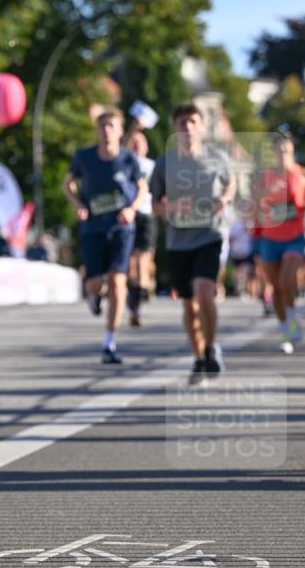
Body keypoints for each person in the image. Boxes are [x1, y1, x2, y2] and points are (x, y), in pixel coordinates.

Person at [150, 102, 236, 385]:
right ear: (174, 129)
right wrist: (171, 208)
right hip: (178, 242)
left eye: (192, 122)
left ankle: (211, 348)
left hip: (210, 235)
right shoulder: (164, 163)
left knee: (204, 293)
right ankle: (199, 356)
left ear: (200, 126)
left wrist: (224, 198)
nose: (187, 127)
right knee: (188, 306)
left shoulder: (217, 157)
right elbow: (154, 205)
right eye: (181, 123)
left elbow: (231, 183)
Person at [64, 108, 145, 364]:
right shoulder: (84, 157)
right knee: (95, 283)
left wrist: (132, 209)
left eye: (112, 126)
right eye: (103, 126)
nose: (107, 130)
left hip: (121, 228)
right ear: (97, 130)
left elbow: (141, 188)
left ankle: (109, 341)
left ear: (121, 131)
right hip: (93, 228)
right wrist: (78, 204)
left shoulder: (129, 159)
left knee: (118, 281)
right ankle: (94, 295)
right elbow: (68, 184)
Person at [254, 133, 305, 353]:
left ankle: (292, 316)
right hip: (270, 236)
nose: (283, 155)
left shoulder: (304, 174)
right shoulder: (265, 175)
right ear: (273, 153)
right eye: (279, 151)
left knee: (286, 281)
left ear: (293, 151)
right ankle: (286, 330)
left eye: (287, 151)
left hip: (295, 235)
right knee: (276, 289)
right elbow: (254, 202)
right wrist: (265, 194)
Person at [124, 126, 156, 327]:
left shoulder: (151, 166)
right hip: (129, 214)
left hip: (147, 213)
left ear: (146, 147)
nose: (136, 145)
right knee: (131, 261)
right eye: (133, 142)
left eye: (140, 142)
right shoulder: (124, 164)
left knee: (144, 256)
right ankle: (135, 297)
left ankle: (142, 288)